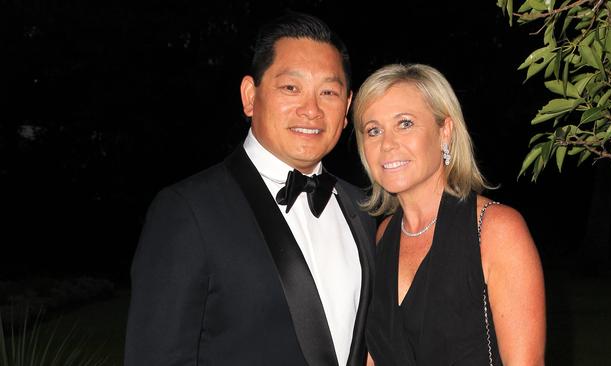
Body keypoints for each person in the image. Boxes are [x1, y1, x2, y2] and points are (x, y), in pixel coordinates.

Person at [124, 11, 376, 366]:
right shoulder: (187, 210)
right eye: (291, 87)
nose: (312, 109)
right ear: (249, 95)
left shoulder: (365, 210)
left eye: (328, 92)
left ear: (347, 106)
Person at [352, 64, 546, 365]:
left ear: (445, 132)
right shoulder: (381, 236)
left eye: (404, 123)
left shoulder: (496, 230)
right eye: (373, 130)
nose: (387, 144)